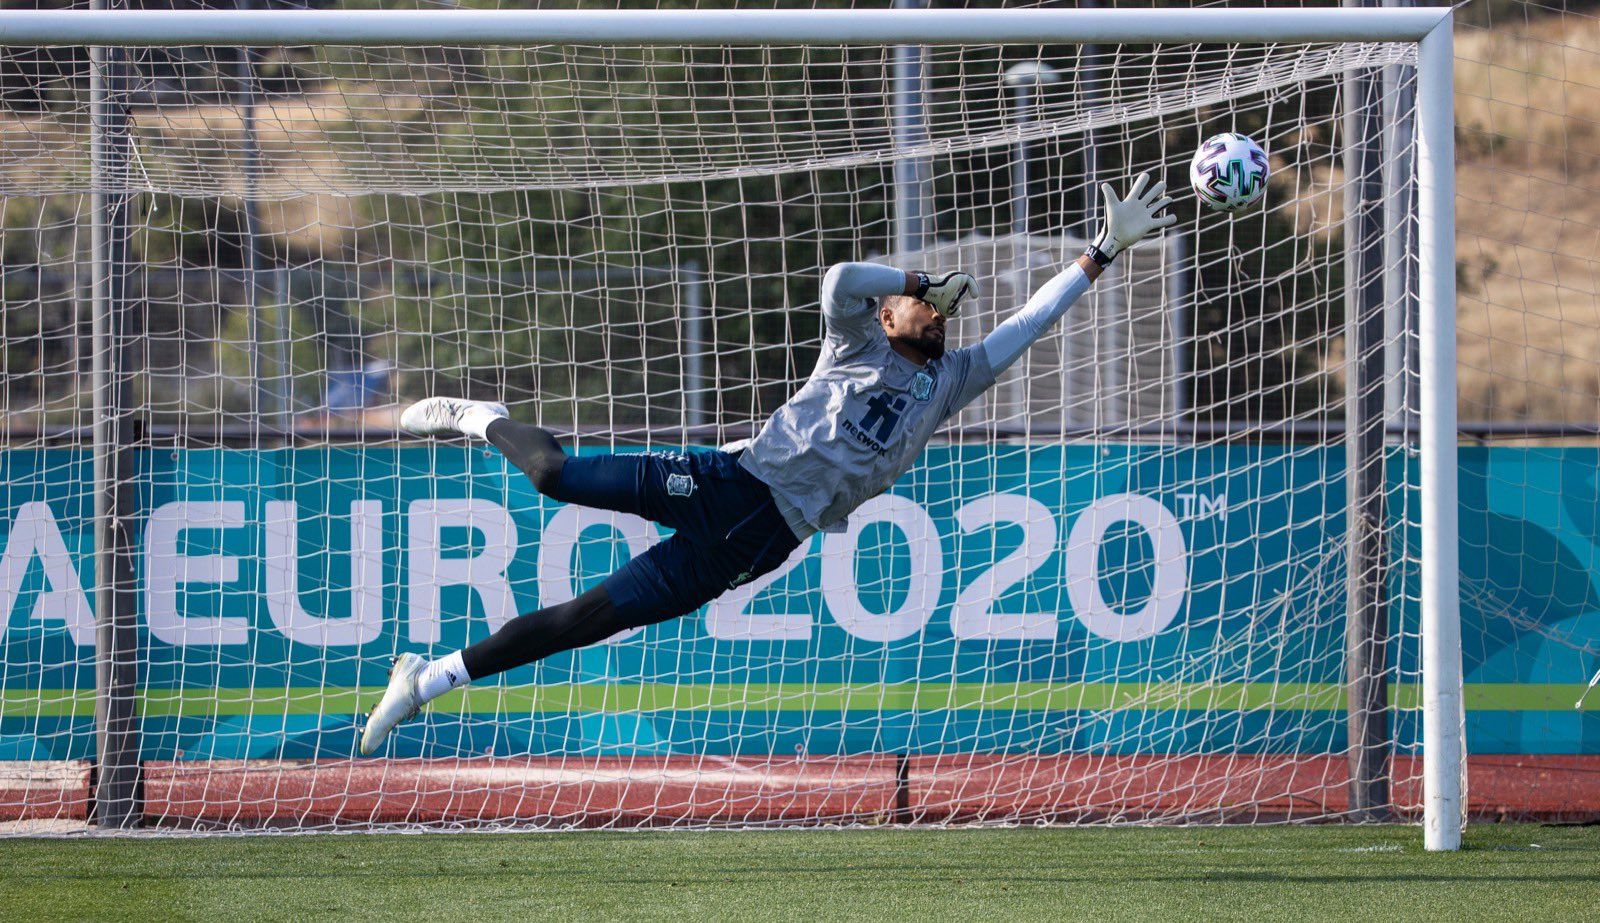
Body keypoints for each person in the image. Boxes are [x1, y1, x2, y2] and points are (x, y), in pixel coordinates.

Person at [360, 172, 1175, 754]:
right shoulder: (854, 336)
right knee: (554, 477)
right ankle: (482, 417)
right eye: (912, 304)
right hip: (728, 484)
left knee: (589, 620)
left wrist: (1099, 253)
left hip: (762, 542)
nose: (928, 311)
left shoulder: (951, 381)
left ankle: (428, 677)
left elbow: (1026, 325)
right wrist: (917, 276)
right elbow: (839, 279)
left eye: (928, 305)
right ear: (886, 315)